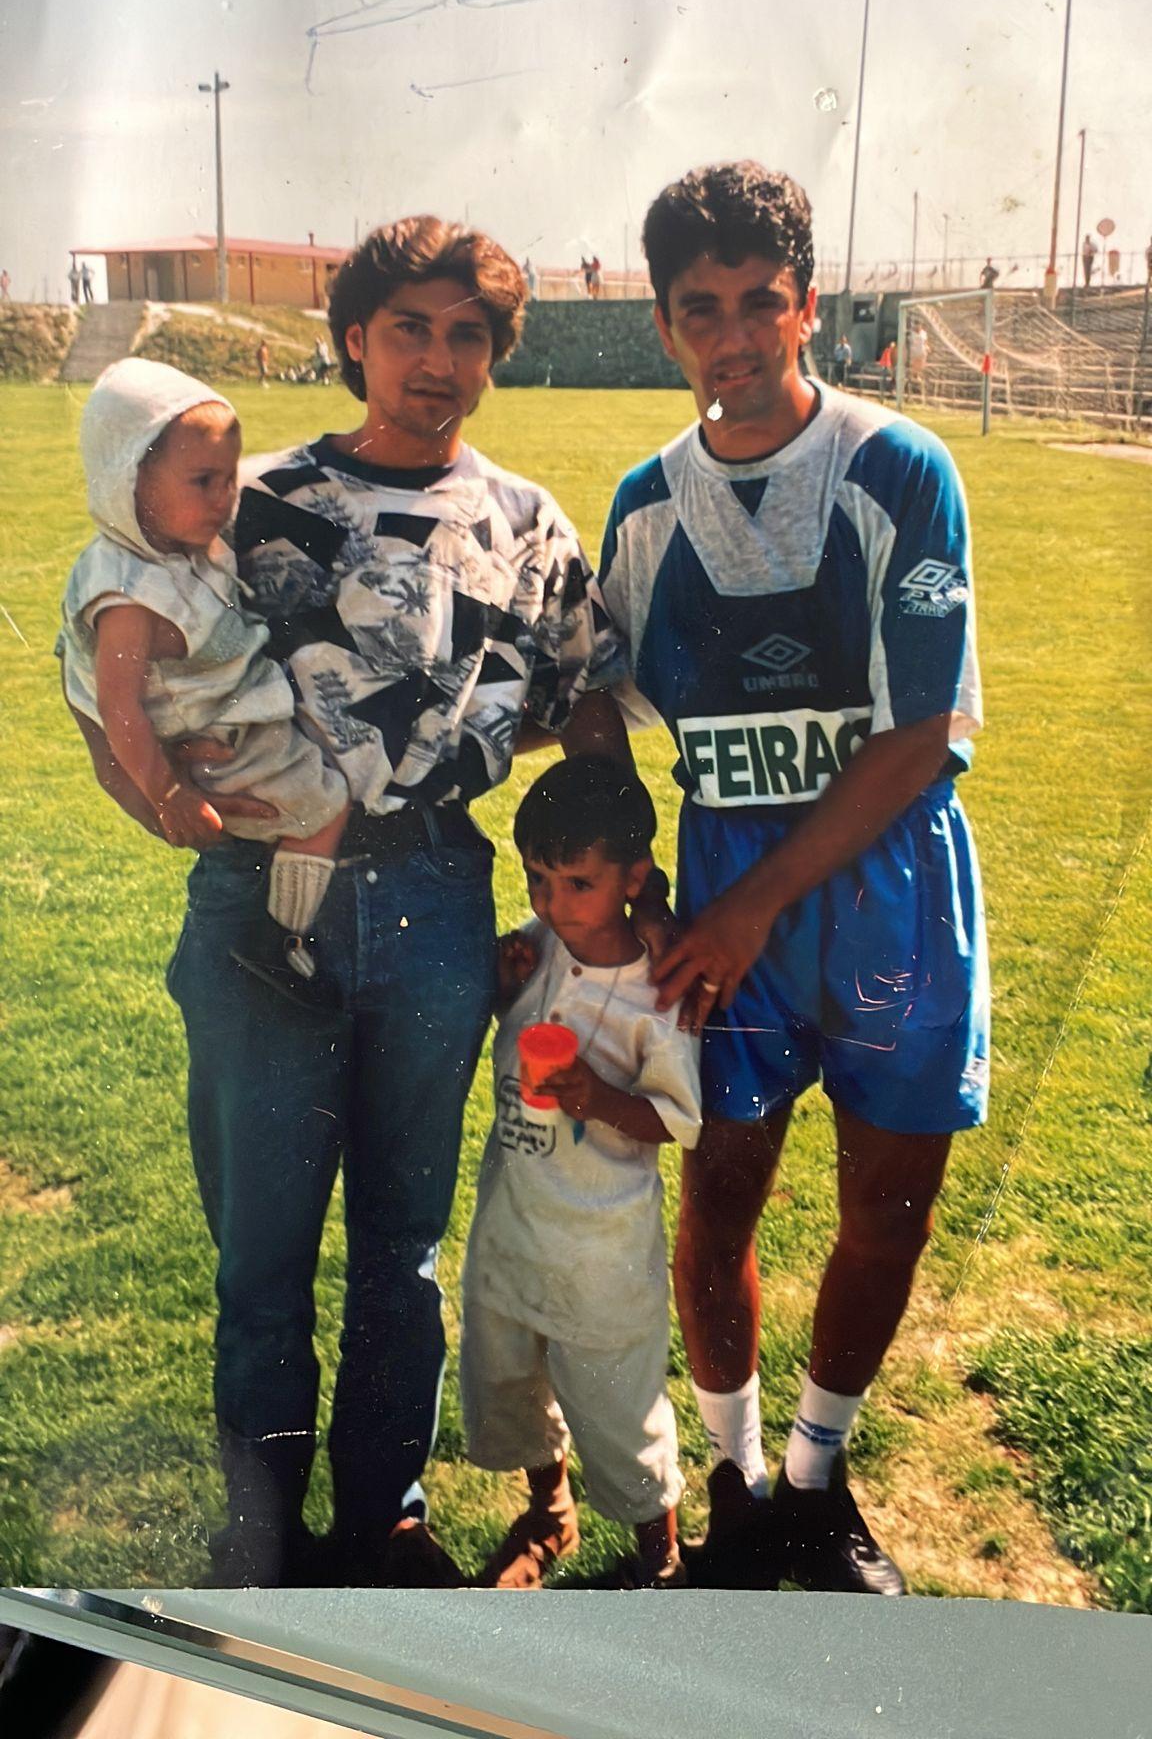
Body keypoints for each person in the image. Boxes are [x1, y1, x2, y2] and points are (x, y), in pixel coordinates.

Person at [69, 216, 640, 1589]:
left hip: (438, 901)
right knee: (261, 1253)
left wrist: (624, 883)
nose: (435, 361)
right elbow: (101, 674)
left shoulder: (527, 527)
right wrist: (166, 806)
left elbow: (588, 709)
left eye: (466, 335)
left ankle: (383, 1517)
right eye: (408, 329)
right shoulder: (241, 499)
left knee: (402, 1244)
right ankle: (260, 1528)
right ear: (352, 342)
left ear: (496, 356)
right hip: (263, 902)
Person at [599, 162, 988, 1596]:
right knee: (726, 1189)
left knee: (889, 1203)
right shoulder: (645, 503)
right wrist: (636, 885)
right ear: (663, 326)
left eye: (762, 302)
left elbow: (922, 736)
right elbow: (601, 711)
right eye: (701, 310)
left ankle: (821, 1482)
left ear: (807, 304)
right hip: (721, 888)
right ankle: (737, 1480)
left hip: (884, 888)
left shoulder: (897, 469)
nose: (736, 336)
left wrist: (752, 905)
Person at [461, 756, 701, 1590]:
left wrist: (598, 1095)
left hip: (602, 1248)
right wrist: (497, 981)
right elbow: (501, 997)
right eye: (537, 877)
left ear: (635, 878)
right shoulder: (539, 950)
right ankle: (550, 1509)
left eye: (577, 883)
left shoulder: (655, 992)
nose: (552, 903)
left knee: (617, 1406)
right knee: (516, 1378)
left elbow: (673, 1119)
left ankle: (658, 1552)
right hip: (517, 1223)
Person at [59, 359, 351, 992]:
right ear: (129, 481)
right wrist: (168, 793)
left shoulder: (180, 550)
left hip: (230, 721)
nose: (225, 499)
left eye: (228, 479)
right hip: (217, 745)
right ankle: (284, 940)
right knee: (324, 807)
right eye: (203, 481)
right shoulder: (129, 592)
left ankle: (277, 928)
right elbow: (119, 709)